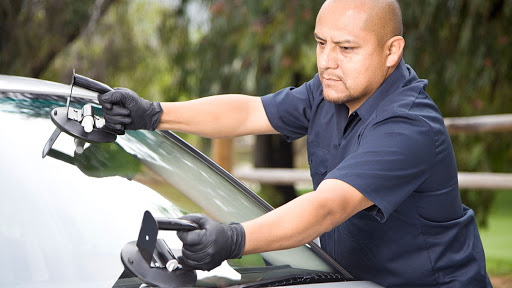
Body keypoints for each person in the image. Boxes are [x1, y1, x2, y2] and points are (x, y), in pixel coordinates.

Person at [98, 0, 492, 287]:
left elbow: (328, 206)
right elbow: (249, 113)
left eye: (346, 48)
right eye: (321, 43)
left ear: (392, 51)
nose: (326, 61)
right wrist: (153, 114)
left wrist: (234, 238)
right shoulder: (329, 90)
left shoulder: (410, 125)